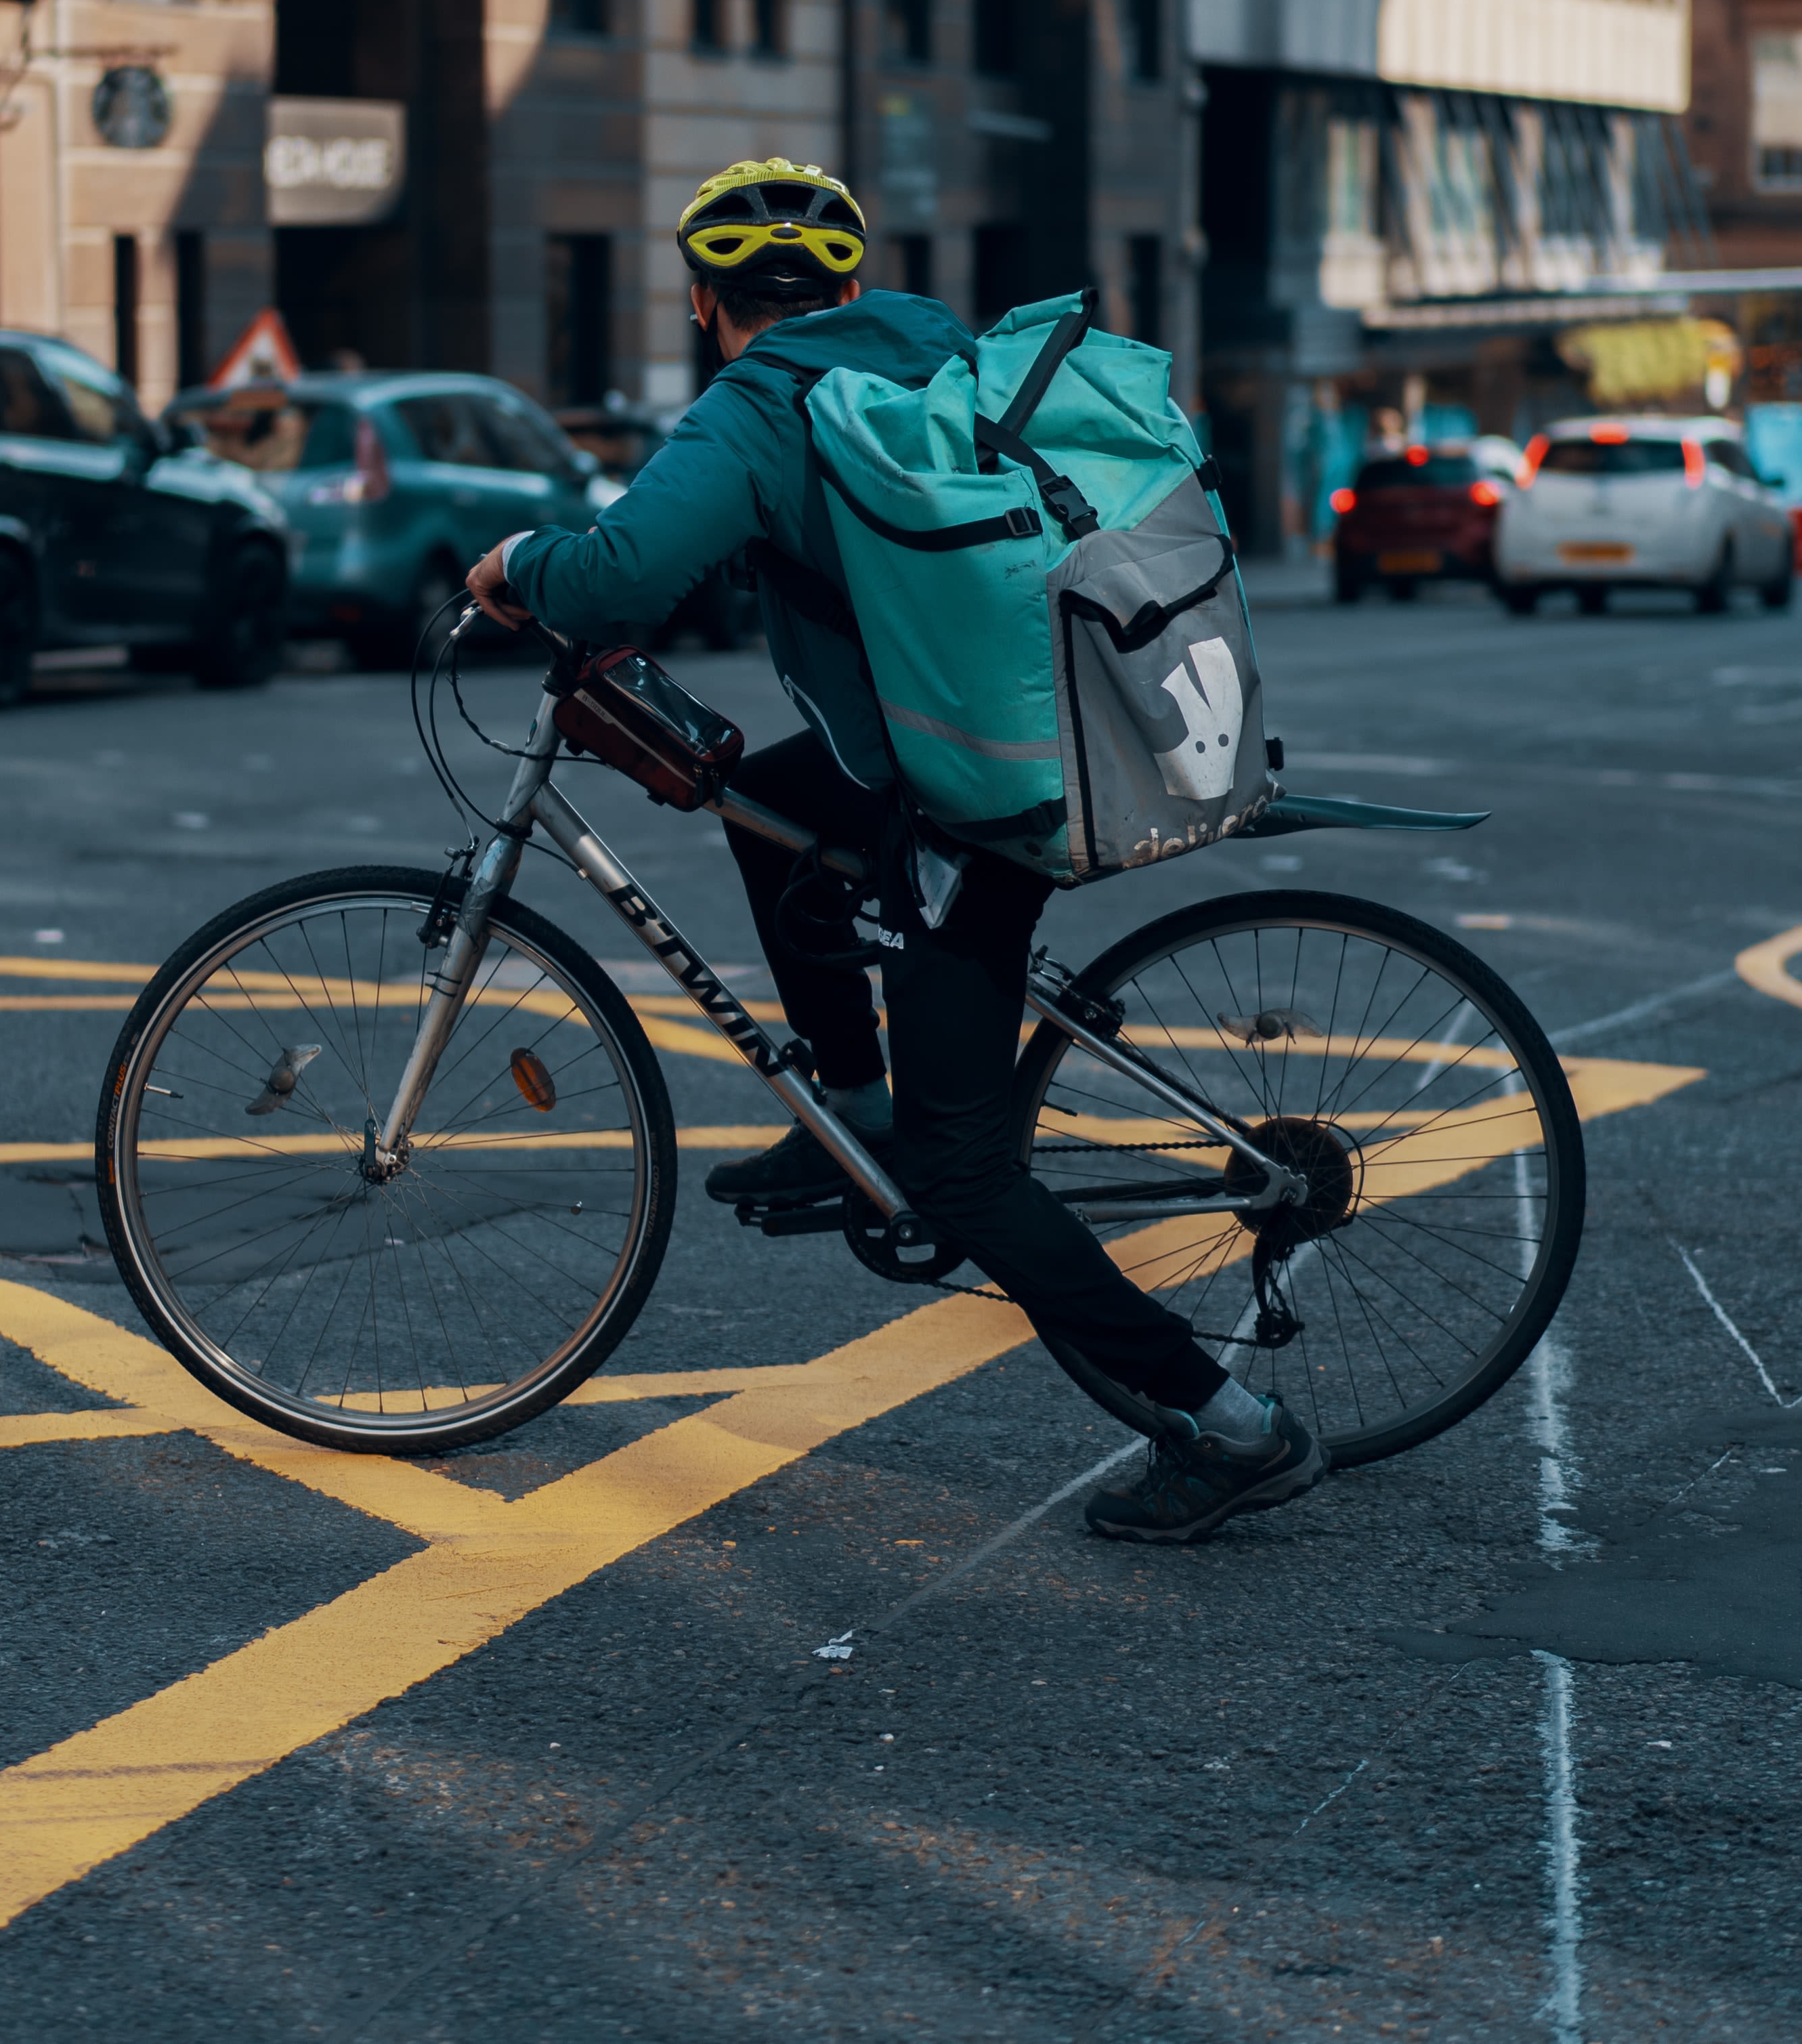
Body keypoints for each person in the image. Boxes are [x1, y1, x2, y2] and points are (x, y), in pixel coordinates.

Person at [466, 160, 1321, 1544]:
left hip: (969, 801)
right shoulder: (933, 347)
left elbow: (621, 575)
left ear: (702, 301)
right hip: (996, 744)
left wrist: (518, 562)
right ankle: (849, 1106)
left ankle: (1231, 1428)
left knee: (966, 1169)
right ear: (853, 286)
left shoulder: (758, 403)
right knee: (761, 806)